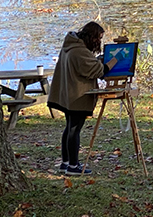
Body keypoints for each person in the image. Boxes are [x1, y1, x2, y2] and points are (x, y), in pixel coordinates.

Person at [48, 21, 118, 176]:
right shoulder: (79, 51)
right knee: (74, 129)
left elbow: (85, 64)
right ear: (91, 37)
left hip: (68, 93)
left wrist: (96, 60)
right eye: (98, 38)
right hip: (77, 95)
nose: (99, 42)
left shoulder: (71, 46)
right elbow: (97, 71)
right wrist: (113, 62)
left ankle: (66, 162)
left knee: (69, 127)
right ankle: (73, 166)